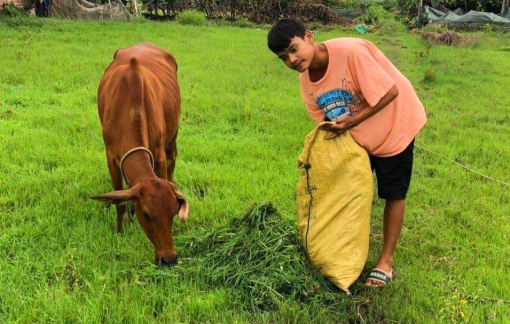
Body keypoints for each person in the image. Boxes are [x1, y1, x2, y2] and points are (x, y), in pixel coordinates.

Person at [267, 18, 427, 287]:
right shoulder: (307, 84)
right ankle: (342, 251)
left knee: (393, 192)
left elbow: (390, 91)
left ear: (309, 37)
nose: (292, 60)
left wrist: (352, 121)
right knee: (351, 189)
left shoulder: (350, 53)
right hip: (359, 140)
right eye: (284, 58)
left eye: (293, 49)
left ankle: (385, 262)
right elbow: (325, 123)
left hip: (395, 125)